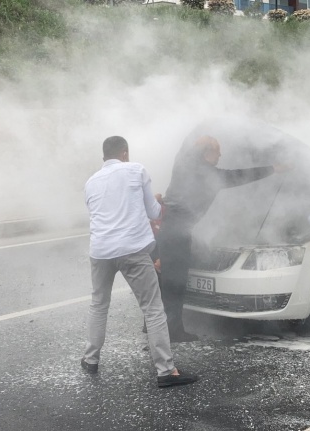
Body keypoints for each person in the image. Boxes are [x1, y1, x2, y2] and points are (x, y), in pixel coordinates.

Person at [81, 136, 198, 388]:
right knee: (153, 308)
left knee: (99, 304)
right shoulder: (136, 170)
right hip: (131, 249)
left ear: (105, 156)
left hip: (100, 251)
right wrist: (156, 199)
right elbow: (154, 212)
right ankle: (166, 371)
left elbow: (102, 213)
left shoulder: (90, 182)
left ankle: (90, 360)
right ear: (125, 153)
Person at [158, 135, 291, 342]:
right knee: (175, 282)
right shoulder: (206, 174)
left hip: (168, 229)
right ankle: (173, 331)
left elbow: (186, 152)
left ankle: (154, 326)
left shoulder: (182, 166)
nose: (220, 155)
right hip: (177, 233)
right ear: (206, 153)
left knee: (166, 280)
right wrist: (273, 168)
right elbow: (239, 176)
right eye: (217, 151)